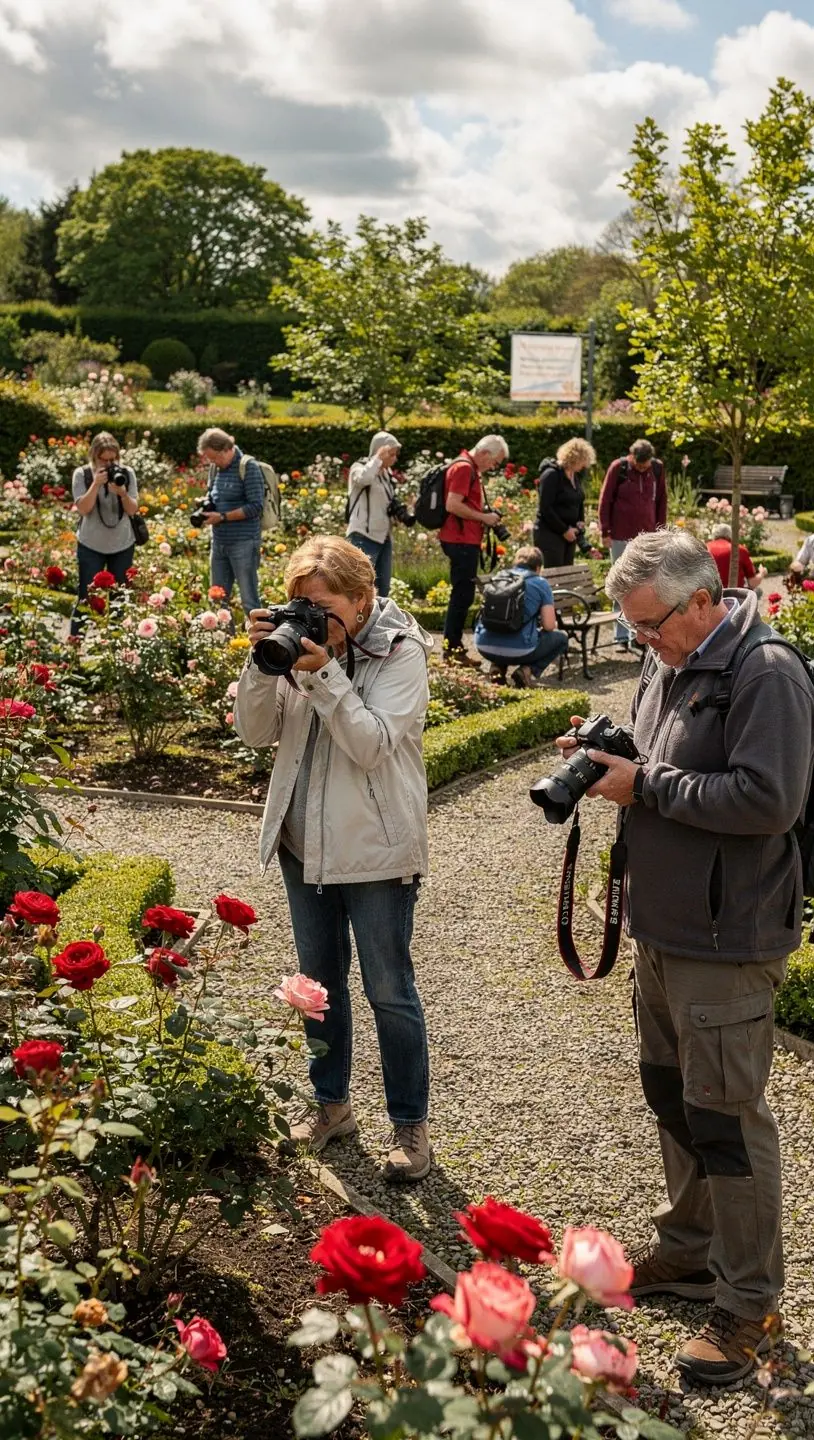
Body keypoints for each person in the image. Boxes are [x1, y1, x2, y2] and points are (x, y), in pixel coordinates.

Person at [555, 529, 814, 1386]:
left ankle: (749, 1309)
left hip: (727, 937)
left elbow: (769, 799)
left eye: (649, 625)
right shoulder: (672, 656)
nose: (641, 642)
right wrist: (609, 760)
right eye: (630, 628)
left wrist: (647, 786)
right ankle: (691, 1251)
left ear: (703, 599)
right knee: (674, 1096)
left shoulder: (766, 671)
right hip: (666, 930)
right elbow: (662, 762)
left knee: (729, 1122)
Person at [234, 536, 434, 1182]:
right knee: (317, 991)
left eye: (321, 607)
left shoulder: (400, 652)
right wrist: (263, 668)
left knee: (389, 992)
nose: (308, 618)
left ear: (362, 599)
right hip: (303, 849)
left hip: (374, 853)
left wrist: (322, 674)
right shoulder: (295, 643)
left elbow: (371, 745)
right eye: (298, 605)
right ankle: (331, 1106)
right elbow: (254, 734)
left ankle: (410, 1128)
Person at [439, 434, 508, 666]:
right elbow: (452, 504)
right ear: (485, 453)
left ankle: (454, 648)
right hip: (460, 540)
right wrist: (484, 517)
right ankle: (452, 651)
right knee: (461, 596)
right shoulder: (463, 468)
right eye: (495, 462)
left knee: (463, 595)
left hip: (464, 539)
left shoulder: (467, 467)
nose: (493, 467)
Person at [598, 439, 667, 650]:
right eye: (638, 465)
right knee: (621, 584)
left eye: (644, 466)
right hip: (620, 535)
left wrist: (661, 531)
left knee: (646, 584)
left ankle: (639, 637)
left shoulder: (657, 468)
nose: (641, 468)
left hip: (646, 536)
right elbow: (605, 500)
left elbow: (662, 499)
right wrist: (605, 531)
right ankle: (620, 636)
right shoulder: (618, 468)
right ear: (631, 457)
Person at [71, 432, 140, 635]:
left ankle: (115, 648)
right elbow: (83, 509)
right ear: (94, 457)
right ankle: (74, 648)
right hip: (91, 544)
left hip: (122, 544)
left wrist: (123, 493)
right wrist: (96, 484)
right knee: (85, 597)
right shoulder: (82, 474)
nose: (110, 464)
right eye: (105, 460)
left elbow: (133, 510)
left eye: (113, 459)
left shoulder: (126, 473)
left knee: (119, 599)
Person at [474, 546, 568, 688]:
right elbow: (549, 625)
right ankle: (526, 671)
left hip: (483, 645)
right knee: (561, 638)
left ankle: (497, 668)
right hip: (519, 650)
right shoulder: (540, 583)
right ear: (538, 567)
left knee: (503, 626)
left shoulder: (500, 577)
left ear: (515, 563)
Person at [196, 427, 264, 615]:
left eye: (215, 457)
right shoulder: (215, 469)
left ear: (227, 449)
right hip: (219, 542)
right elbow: (213, 495)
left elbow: (256, 507)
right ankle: (222, 641)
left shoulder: (248, 467)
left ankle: (258, 641)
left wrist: (223, 517)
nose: (213, 462)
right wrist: (205, 504)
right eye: (210, 459)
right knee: (217, 598)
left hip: (243, 543)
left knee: (249, 600)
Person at [346, 431, 406, 597]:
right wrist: (377, 459)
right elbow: (363, 479)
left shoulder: (387, 474)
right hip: (363, 536)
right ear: (380, 451)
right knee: (361, 589)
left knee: (382, 590)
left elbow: (386, 502)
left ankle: (378, 623)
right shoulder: (358, 468)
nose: (395, 459)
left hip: (383, 538)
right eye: (391, 454)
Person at [533, 438, 596, 568]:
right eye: (582, 461)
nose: (584, 466)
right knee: (555, 574)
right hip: (550, 534)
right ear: (574, 459)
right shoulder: (551, 475)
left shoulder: (575, 476)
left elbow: (578, 501)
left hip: (570, 534)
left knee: (567, 573)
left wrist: (580, 522)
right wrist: (564, 530)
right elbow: (546, 508)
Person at [706, 524, 766, 590]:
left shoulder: (704, 548)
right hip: (734, 595)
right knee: (758, 591)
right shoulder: (740, 550)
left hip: (709, 596)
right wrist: (762, 573)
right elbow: (752, 583)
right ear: (731, 535)